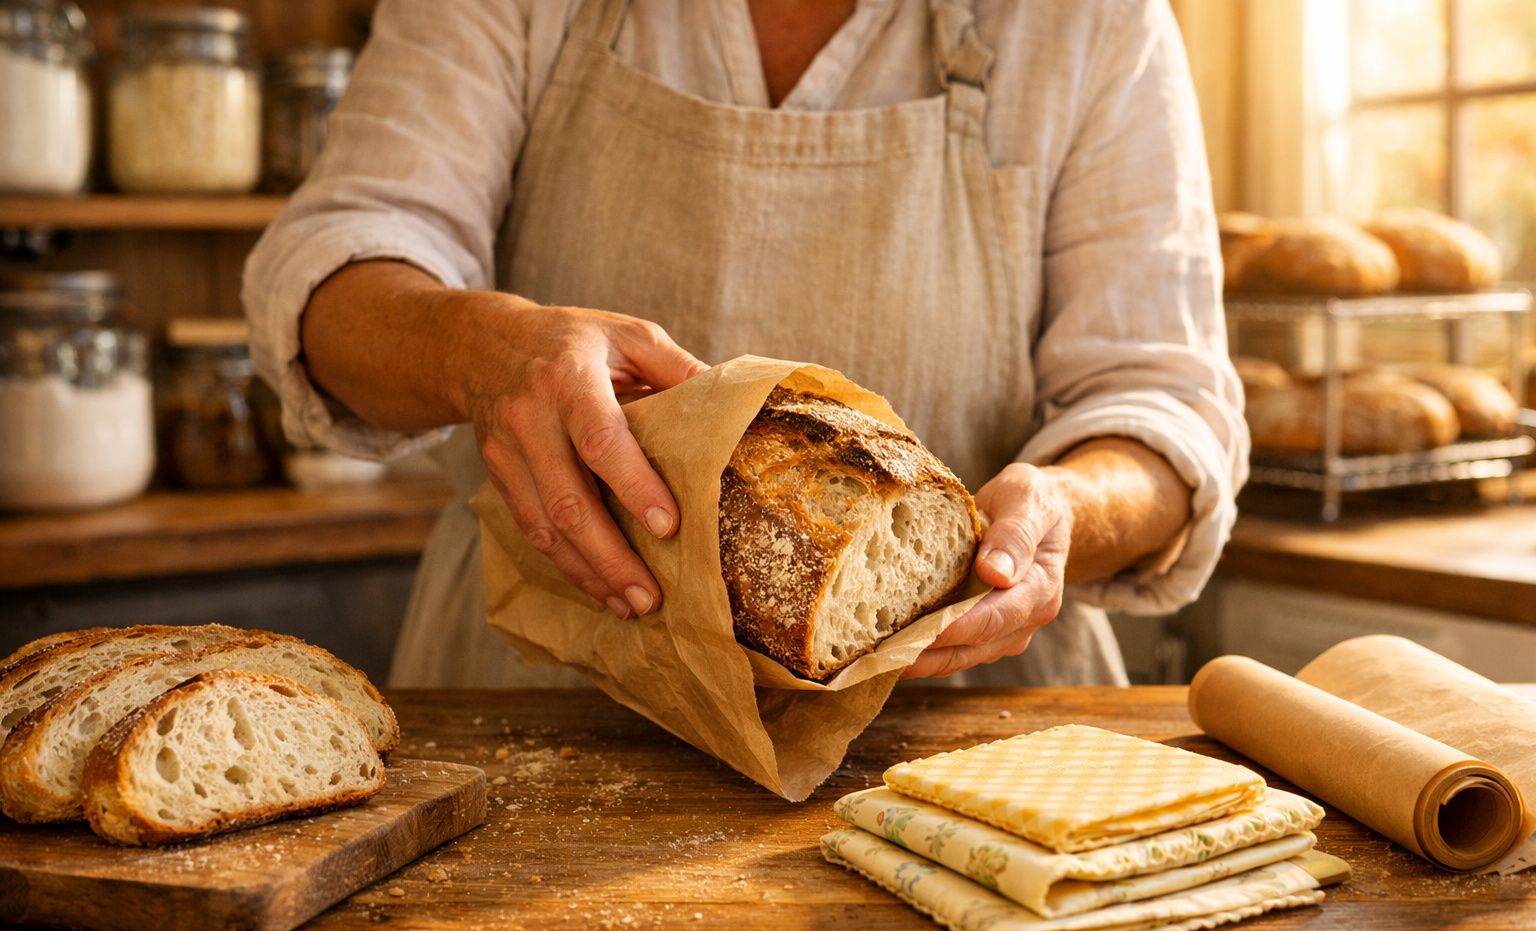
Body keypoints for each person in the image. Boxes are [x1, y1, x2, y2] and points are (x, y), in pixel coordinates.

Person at [244, 0, 1246, 691]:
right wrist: (477, 347)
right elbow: (332, 276)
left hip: (960, 729)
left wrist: (1060, 507)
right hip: (543, 692)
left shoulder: (1091, 22)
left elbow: (1163, 406)